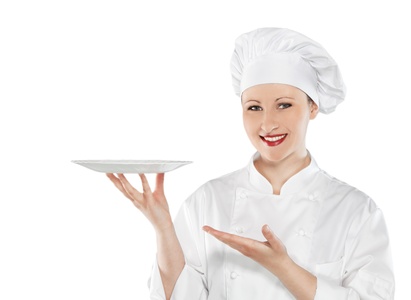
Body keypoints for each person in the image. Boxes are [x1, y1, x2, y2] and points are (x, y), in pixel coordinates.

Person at [107, 27, 395, 299]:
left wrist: (284, 267)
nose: (267, 123)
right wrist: (163, 229)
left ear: (313, 106)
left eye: (284, 105)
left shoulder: (355, 211)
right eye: (254, 107)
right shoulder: (207, 200)